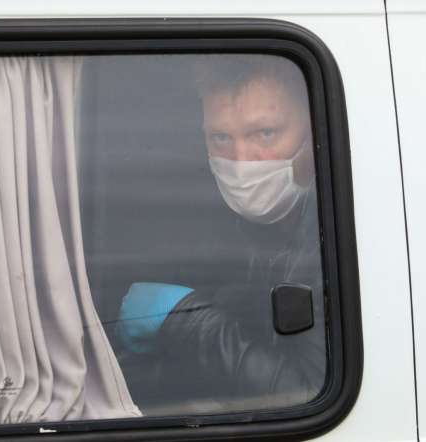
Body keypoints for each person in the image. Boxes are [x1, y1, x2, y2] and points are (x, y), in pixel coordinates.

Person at [115, 55, 326, 415]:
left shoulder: (338, 235)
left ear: (313, 130)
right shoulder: (246, 230)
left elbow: (309, 394)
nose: (241, 159)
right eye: (221, 137)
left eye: (265, 133)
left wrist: (185, 319)